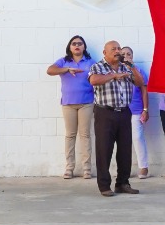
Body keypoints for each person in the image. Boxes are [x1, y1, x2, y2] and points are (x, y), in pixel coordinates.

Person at [88, 41, 143, 197]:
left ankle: (123, 183)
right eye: (114, 49)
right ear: (105, 52)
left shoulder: (126, 67)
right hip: (105, 113)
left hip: (124, 112)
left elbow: (139, 83)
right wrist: (113, 75)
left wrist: (131, 66)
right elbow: (93, 81)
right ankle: (104, 186)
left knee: (125, 150)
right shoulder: (97, 67)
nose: (118, 51)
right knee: (104, 149)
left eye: (119, 48)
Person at [47, 36, 94, 180]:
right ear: (70, 47)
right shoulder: (64, 61)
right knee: (70, 135)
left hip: (86, 102)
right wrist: (66, 69)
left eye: (80, 44)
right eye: (74, 44)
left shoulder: (91, 62)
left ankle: (87, 169)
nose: (77, 46)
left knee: (85, 135)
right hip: (68, 103)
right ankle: (69, 168)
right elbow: (50, 70)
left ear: (84, 47)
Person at [121, 46, 152, 178]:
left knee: (137, 138)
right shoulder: (115, 70)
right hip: (120, 110)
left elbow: (144, 90)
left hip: (136, 110)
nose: (126, 56)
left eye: (129, 54)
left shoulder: (138, 71)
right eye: (123, 54)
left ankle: (143, 167)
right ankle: (124, 169)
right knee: (123, 140)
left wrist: (146, 109)